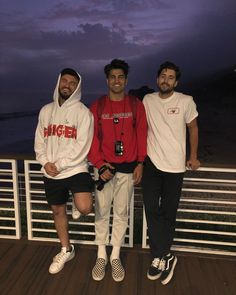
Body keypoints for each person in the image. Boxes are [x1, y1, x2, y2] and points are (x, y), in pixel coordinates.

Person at [88, 59, 147, 282]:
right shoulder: (97, 106)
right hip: (104, 171)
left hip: (128, 170)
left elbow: (142, 133)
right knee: (102, 212)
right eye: (112, 77)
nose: (116, 81)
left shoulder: (135, 105)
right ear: (107, 80)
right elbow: (91, 139)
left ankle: (115, 255)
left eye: (120, 77)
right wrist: (99, 164)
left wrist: (141, 162)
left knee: (121, 213)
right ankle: (101, 254)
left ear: (126, 80)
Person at [142, 61, 200, 285]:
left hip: (175, 167)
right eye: (163, 76)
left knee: (168, 212)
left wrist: (193, 156)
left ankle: (160, 256)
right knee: (150, 208)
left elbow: (193, 127)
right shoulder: (148, 100)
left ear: (176, 82)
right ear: (157, 79)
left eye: (171, 77)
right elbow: (139, 128)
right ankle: (165, 255)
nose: (166, 80)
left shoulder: (186, 101)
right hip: (152, 165)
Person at [34, 68, 94, 274]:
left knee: (85, 207)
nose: (67, 85)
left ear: (78, 87)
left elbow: (82, 146)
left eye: (72, 83)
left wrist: (59, 164)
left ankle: (77, 202)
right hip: (51, 171)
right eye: (64, 81)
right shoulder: (45, 111)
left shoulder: (83, 113)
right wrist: (44, 163)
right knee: (58, 211)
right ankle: (66, 249)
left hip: (75, 168)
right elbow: (39, 142)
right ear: (59, 82)